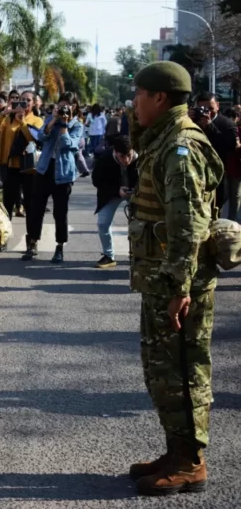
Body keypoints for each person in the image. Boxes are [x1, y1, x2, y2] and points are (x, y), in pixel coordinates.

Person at [126, 61, 223, 496]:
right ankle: (176, 449)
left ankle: (190, 463)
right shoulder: (163, 140)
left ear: (160, 98)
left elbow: (187, 227)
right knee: (163, 370)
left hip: (177, 284)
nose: (134, 103)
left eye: (139, 95)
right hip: (161, 278)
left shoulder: (179, 148)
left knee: (183, 370)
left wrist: (180, 288)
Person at [23, 91, 84, 263]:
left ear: (74, 107)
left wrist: (64, 124)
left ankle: (59, 247)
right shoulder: (51, 118)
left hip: (63, 173)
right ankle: (32, 243)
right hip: (44, 169)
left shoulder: (77, 125)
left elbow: (69, 145)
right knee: (37, 209)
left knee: (60, 212)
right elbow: (41, 137)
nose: (64, 108)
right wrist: (54, 121)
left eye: (68, 106)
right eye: (62, 105)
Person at [0, 90, 43, 222]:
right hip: (10, 165)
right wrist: (4, 113)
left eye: (28, 100)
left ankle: (31, 237)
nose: (24, 102)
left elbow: (32, 138)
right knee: (7, 204)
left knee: (30, 204)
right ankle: (4, 235)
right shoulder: (9, 119)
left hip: (28, 167)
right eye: (22, 99)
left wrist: (22, 122)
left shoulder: (37, 120)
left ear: (34, 103)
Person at [91, 135, 138, 268]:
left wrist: (135, 189)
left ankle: (139, 255)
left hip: (136, 194)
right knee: (103, 223)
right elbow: (97, 180)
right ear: (115, 152)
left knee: (140, 224)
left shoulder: (142, 158)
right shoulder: (105, 158)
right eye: (122, 156)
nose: (127, 160)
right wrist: (117, 190)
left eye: (129, 155)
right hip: (111, 194)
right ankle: (108, 256)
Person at [193, 92, 238, 214]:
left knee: (216, 208)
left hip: (217, 175)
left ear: (217, 106)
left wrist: (210, 127)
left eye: (210, 109)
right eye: (202, 109)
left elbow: (229, 147)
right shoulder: (192, 122)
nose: (207, 112)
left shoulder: (227, 124)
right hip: (194, 173)